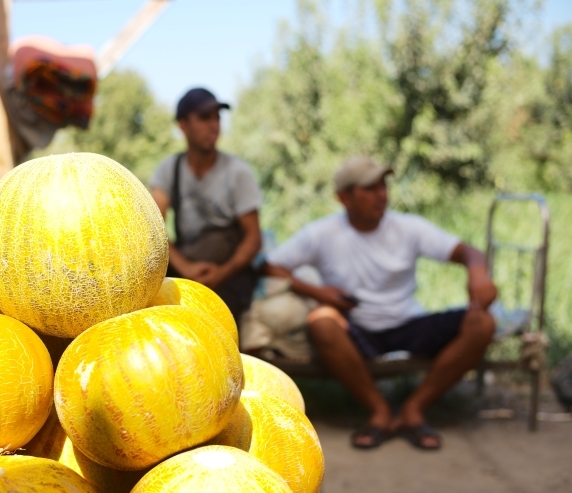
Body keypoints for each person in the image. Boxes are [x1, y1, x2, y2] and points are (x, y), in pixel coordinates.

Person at [262, 156, 498, 450]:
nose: (381, 194)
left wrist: (477, 274)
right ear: (344, 198)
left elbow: (468, 252)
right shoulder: (321, 234)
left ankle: (414, 409)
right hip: (357, 329)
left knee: (483, 323)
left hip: (409, 323)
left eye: (383, 186)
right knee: (321, 320)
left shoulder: (409, 227)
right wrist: (318, 293)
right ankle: (379, 410)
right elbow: (270, 266)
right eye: (369, 188)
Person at [150, 88, 263, 323]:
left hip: (229, 269)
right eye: (204, 117)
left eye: (217, 117)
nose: (214, 125)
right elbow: (152, 228)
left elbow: (253, 238)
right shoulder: (170, 170)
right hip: (188, 261)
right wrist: (187, 268)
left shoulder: (237, 172)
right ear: (183, 125)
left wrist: (223, 273)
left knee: (220, 322)